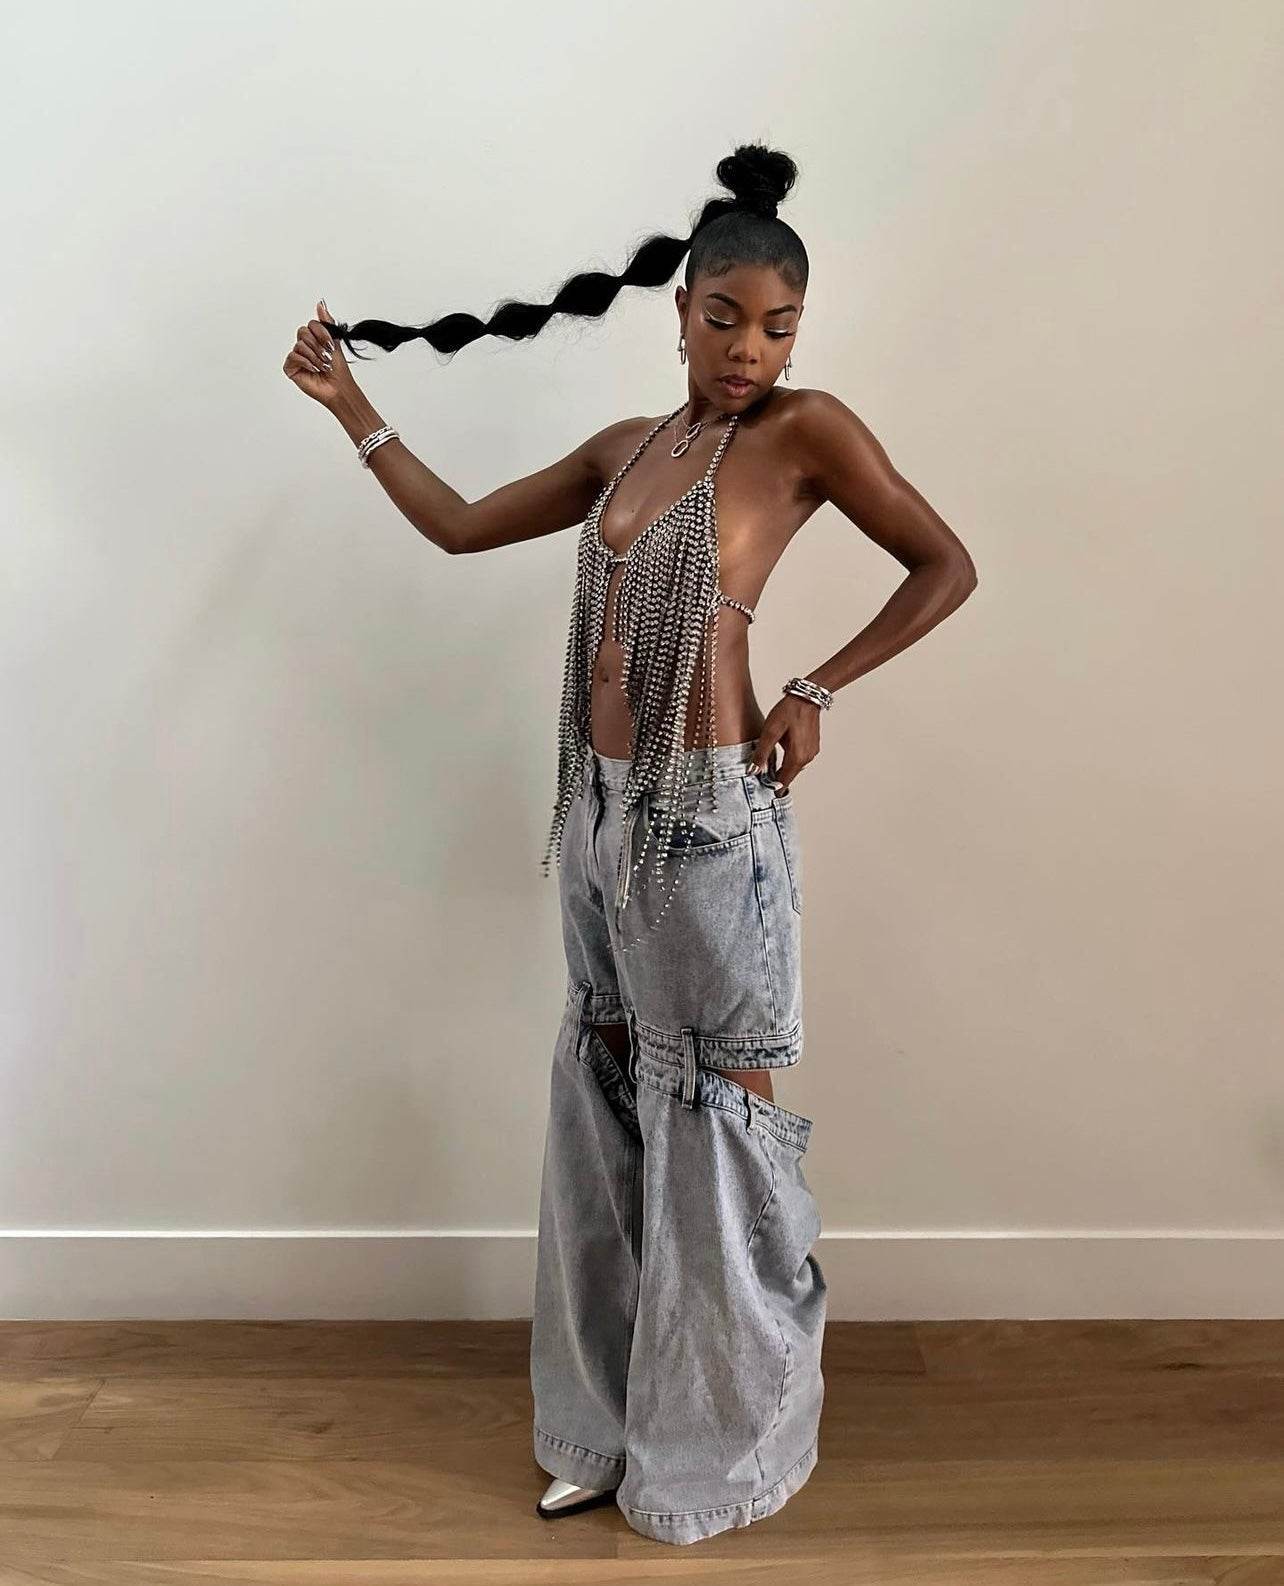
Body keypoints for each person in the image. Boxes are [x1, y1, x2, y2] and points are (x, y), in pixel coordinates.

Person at [283, 142, 977, 1547]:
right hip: (600, 811)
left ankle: (719, 1449)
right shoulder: (627, 449)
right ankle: (603, 1427)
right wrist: (354, 407)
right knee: (604, 1112)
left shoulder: (808, 433)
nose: (750, 349)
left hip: (707, 813)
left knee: (718, 1120)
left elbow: (945, 563)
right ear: (679, 309)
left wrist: (817, 685)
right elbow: (462, 527)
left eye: (778, 324)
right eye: (726, 318)